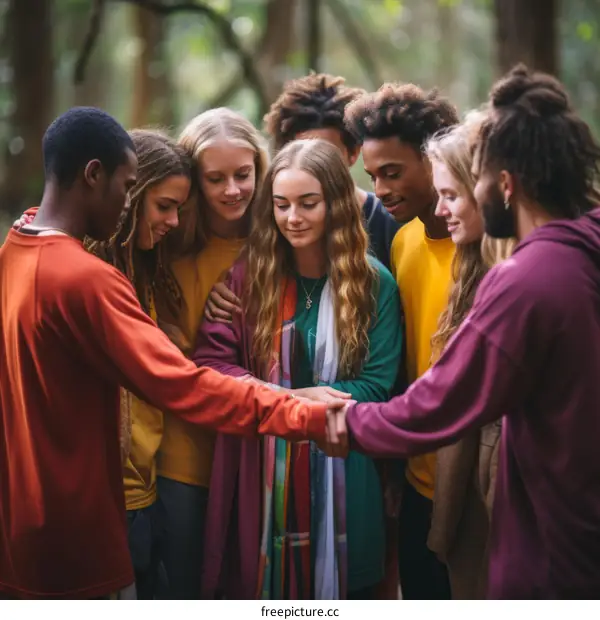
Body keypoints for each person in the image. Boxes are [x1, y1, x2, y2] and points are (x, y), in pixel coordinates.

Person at [0, 107, 345, 600]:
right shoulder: (85, 278)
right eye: (127, 185)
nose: (128, 203)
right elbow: (183, 384)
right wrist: (301, 410)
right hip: (81, 544)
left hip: (23, 537)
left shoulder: (14, 249)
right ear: (94, 175)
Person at [343, 65, 600, 599]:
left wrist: (342, 421)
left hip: (552, 549)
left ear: (503, 186)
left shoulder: (527, 278)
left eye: (467, 185)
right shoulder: (582, 246)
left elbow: (443, 400)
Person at [193, 139, 402, 599]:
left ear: (337, 205)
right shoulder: (248, 277)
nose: (293, 218)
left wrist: (290, 399)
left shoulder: (373, 284)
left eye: (308, 204)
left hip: (347, 470)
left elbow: (377, 386)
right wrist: (290, 400)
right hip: (261, 473)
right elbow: (211, 364)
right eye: (282, 205)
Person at [14, 128, 196, 599]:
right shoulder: (85, 279)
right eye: (163, 205)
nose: (174, 221)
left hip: (145, 494)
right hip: (96, 507)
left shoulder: (151, 275)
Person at [345, 82, 459, 599]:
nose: (381, 189)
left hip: (474, 485)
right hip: (417, 478)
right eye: (372, 176)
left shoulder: (487, 250)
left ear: (433, 159)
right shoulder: (403, 240)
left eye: (393, 172)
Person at [154, 108, 274, 600]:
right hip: (183, 457)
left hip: (259, 452)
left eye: (243, 175)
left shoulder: (279, 241)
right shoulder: (166, 246)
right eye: (215, 178)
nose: (231, 190)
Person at [424, 113, 516, 599]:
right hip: (468, 485)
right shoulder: (470, 266)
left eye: (450, 195)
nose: (440, 210)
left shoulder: (523, 277)